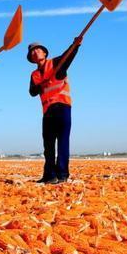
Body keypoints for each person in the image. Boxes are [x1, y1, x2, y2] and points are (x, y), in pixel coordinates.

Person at [28, 37, 82, 184]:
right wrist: (41, 84)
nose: (35, 52)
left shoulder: (56, 63)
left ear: (44, 53)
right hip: (47, 112)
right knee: (48, 146)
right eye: (32, 51)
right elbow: (32, 92)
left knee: (63, 142)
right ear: (31, 58)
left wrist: (75, 45)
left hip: (62, 107)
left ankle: (63, 174)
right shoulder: (34, 75)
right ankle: (49, 175)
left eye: (38, 49)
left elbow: (68, 55)